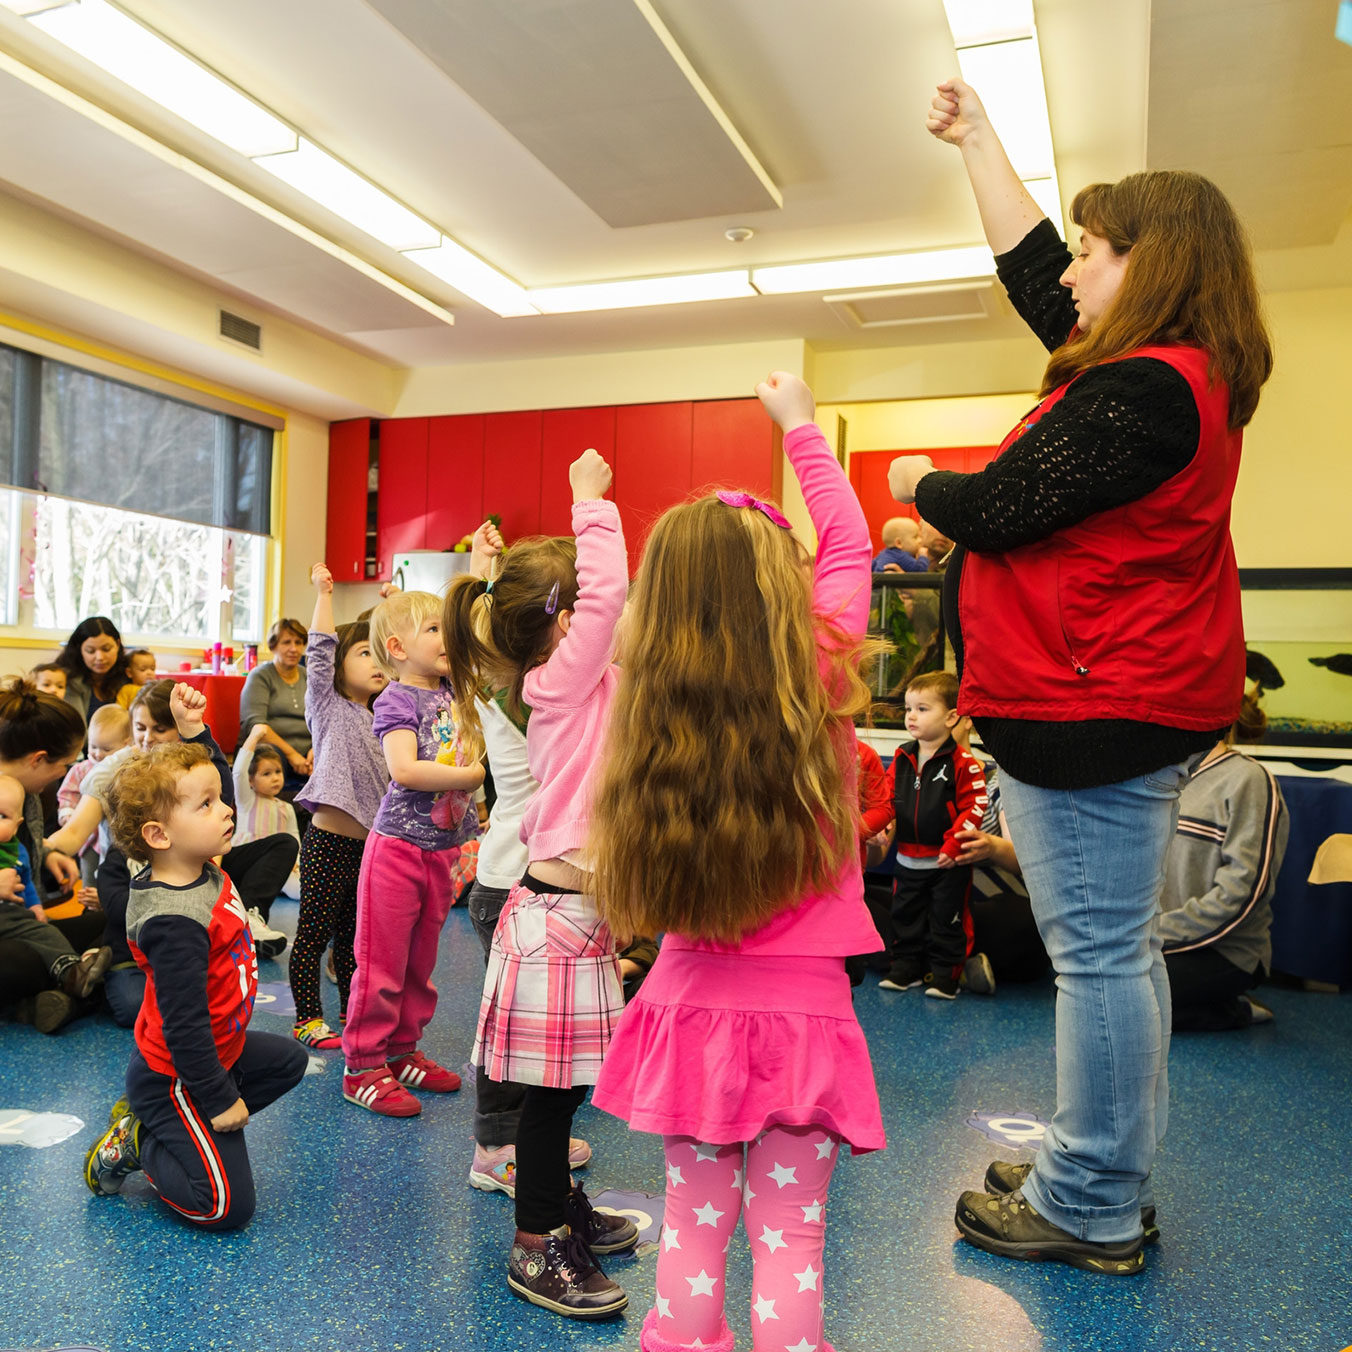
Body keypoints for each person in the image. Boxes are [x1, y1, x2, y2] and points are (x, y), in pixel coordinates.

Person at [885, 78, 1272, 1274]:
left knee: (1100, 957)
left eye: (1099, 251)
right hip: (1105, 699)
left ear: (1148, 268)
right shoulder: (1164, 371)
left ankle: (1091, 1195)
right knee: (1113, 953)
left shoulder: (1147, 386)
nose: (1075, 271)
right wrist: (977, 141)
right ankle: (1089, 1152)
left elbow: (994, 504)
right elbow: (1032, 267)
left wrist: (914, 485)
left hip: (1093, 707)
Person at [589, 373, 886, 1352]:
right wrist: (801, 425)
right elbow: (847, 542)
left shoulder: (648, 703)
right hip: (805, 1008)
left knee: (693, 1219)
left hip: (686, 1002)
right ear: (779, 585)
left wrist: (594, 513)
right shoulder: (823, 669)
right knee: (791, 1230)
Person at [446, 448, 639, 1320]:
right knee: (549, 1102)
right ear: (566, 627)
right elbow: (603, 601)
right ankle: (535, 1248)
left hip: (575, 916)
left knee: (566, 1094)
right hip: (555, 919)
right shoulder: (557, 680)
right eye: (600, 613)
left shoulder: (595, 681)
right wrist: (589, 505)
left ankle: (561, 1210)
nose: (616, 616)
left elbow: (613, 620)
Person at [82, 712, 309, 1230]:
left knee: (288, 1062)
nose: (226, 810)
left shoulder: (200, 864)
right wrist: (220, 1099)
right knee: (225, 1207)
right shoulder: (174, 922)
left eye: (220, 799)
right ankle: (139, 1140)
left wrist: (196, 733)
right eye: (207, 805)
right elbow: (184, 1030)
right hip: (178, 1075)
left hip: (219, 1050)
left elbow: (216, 784)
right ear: (160, 836)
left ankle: (185, 1131)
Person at [447, 522, 594, 1198]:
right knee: (511, 1037)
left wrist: (489, 566)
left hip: (514, 876)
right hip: (515, 881)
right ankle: (494, 1148)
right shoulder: (536, 693)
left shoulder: (505, 676)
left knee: (527, 1028)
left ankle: (523, 1134)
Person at [58, 679, 291, 1025]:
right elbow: (85, 847)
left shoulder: (191, 773)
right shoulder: (122, 787)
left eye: (159, 728)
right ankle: (85, 986)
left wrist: (195, 730)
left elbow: (219, 788)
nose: (148, 738)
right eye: (140, 728)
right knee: (141, 1006)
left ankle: (250, 913)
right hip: (141, 925)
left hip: (195, 877)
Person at [339, 590, 483, 1116]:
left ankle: (401, 1051)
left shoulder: (453, 690)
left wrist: (486, 567)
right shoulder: (397, 699)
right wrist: (470, 777)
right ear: (398, 647)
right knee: (382, 964)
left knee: (420, 964)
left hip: (440, 851)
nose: (449, 639)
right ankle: (363, 1065)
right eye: (435, 631)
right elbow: (404, 769)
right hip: (396, 850)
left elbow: (480, 628)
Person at [288, 562, 389, 1051]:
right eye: (364, 652)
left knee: (352, 942)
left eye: (379, 655)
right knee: (313, 933)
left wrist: (393, 607)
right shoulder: (327, 707)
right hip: (328, 841)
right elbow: (321, 652)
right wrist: (324, 594)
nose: (375, 663)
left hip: (369, 849)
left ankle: (351, 1014)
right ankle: (308, 1017)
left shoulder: (388, 719)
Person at [1160, 693, 1288, 1030]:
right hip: (1160, 939)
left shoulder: (1249, 780)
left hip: (1227, 950)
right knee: (1097, 990)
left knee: (1142, 997)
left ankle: (1236, 1009)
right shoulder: (1164, 776)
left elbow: (1243, 893)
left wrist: (1156, 932)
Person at [877, 671, 987, 999]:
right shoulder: (902, 756)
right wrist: (881, 826)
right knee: (904, 915)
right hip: (907, 858)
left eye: (923, 709)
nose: (911, 716)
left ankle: (946, 976)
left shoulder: (964, 763)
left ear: (953, 716)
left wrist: (955, 843)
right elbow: (887, 796)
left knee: (947, 921)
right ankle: (906, 968)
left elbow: (975, 806)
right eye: (909, 708)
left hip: (945, 863)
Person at [0, 767, 111, 1015]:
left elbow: (27, 883)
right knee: (21, 957)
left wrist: (36, 907)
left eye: (1, 817)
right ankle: (78, 987)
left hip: (19, 923)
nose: (63, 771)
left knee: (111, 921)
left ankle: (70, 981)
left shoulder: (18, 849)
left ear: (17, 824)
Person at [57, 704, 133, 886]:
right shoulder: (81, 770)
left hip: (116, 841)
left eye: (106, 749)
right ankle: (90, 907)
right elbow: (68, 795)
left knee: (114, 878)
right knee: (89, 879)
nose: (98, 754)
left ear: (126, 744)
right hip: (89, 840)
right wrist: (67, 815)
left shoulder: (128, 769)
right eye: (93, 747)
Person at [230, 728, 301, 919]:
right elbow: (238, 772)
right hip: (250, 864)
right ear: (251, 780)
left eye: (278, 772)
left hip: (277, 867)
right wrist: (252, 738)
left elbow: (294, 835)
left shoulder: (286, 807)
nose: (275, 778)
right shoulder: (247, 801)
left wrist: (296, 861)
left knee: (302, 889)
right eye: (267, 774)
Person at [238, 618, 311, 794]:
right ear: (273, 647)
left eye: (298, 643)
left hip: (308, 754)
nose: (294, 649)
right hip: (273, 750)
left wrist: (316, 750)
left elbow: (324, 719)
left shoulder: (309, 676)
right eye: (286, 642)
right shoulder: (260, 676)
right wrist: (292, 755)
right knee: (272, 759)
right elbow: (255, 724)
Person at [54, 616, 132, 722]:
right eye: (90, 651)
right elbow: (77, 730)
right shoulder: (68, 680)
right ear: (80, 650)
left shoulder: (129, 674)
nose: (100, 657)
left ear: (118, 644)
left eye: (106, 649)